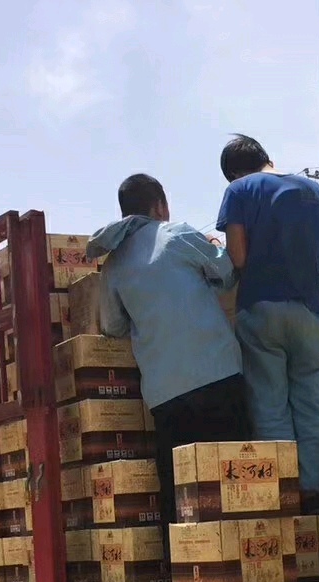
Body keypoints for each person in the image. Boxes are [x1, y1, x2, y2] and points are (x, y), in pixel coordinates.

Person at [88, 174, 250, 542]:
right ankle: (240, 560)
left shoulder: (113, 266)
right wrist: (213, 245)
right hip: (218, 374)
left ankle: (182, 565)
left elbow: (111, 325)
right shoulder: (178, 234)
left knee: (180, 492)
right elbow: (226, 272)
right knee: (232, 477)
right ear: (160, 206)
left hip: (164, 394)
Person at [216, 135, 319, 513]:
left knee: (270, 403)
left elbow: (237, 256)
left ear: (233, 173)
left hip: (261, 308)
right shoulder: (314, 191)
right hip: (311, 311)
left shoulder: (240, 191)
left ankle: (284, 496)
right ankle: (316, 492)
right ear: (268, 157)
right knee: (311, 403)